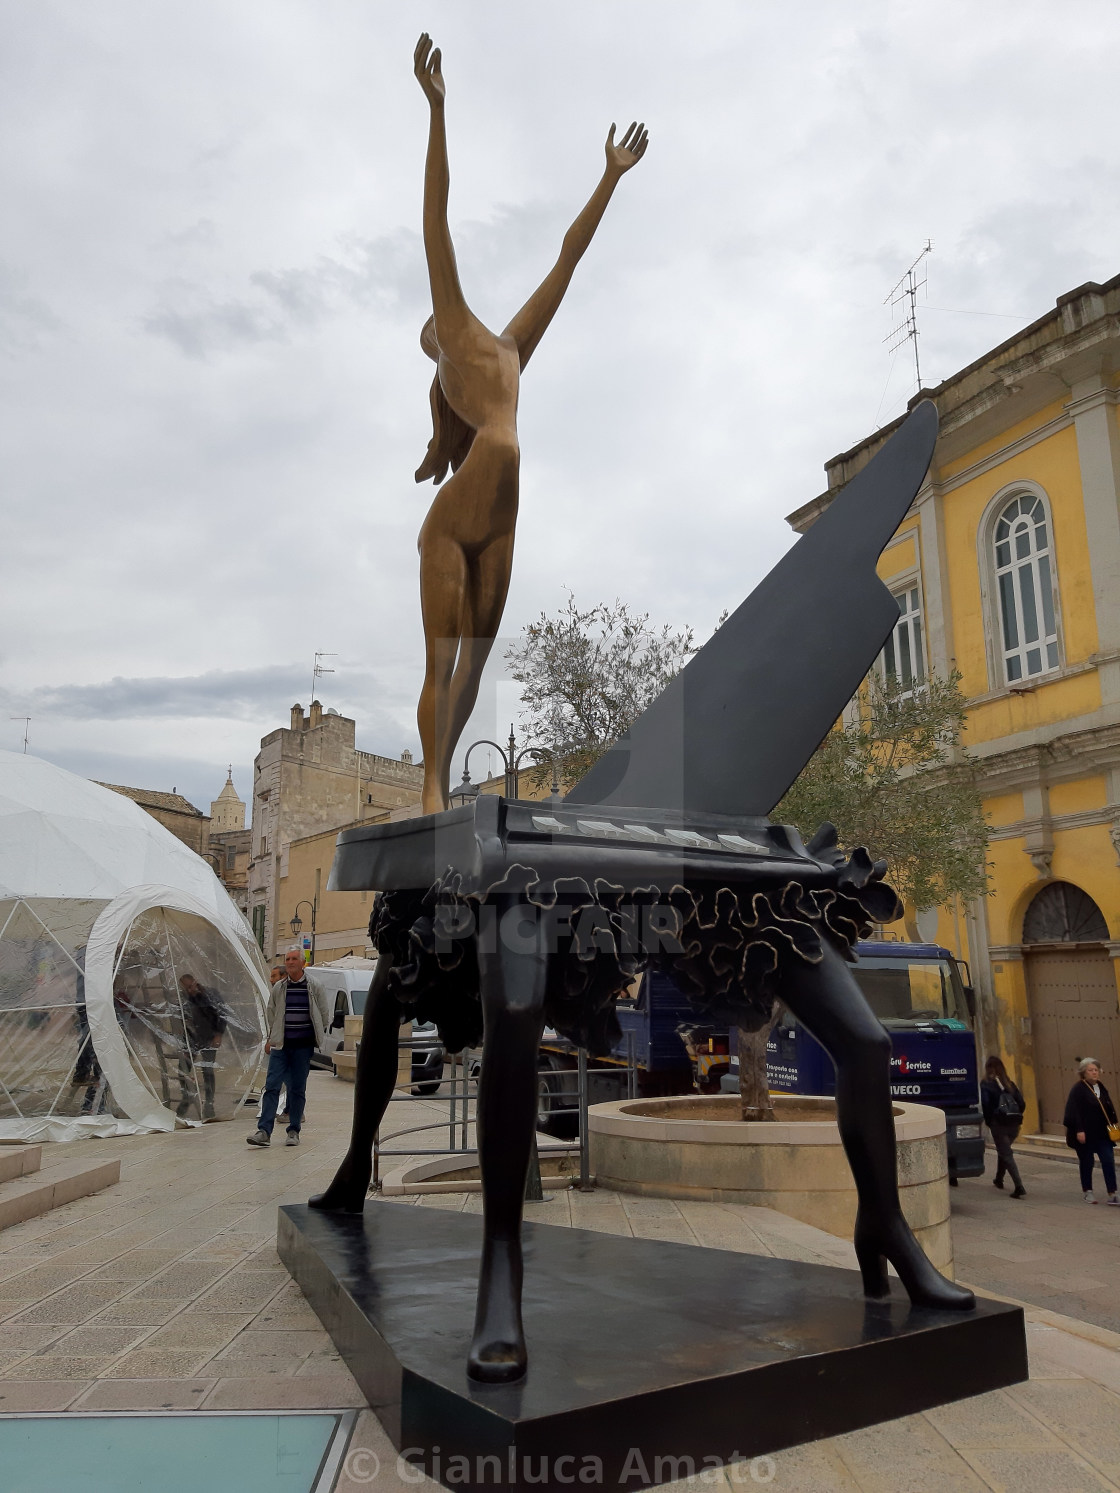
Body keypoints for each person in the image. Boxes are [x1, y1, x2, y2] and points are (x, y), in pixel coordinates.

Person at [410, 33, 648, 812]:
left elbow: (566, 259)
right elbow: (434, 220)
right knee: (442, 660)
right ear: (437, 342)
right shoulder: (455, 336)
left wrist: (608, 178)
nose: (439, 327)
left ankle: (444, 777)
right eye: (432, 334)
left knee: (476, 665)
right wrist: (436, 113)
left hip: (504, 510)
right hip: (454, 520)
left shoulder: (509, 345)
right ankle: (430, 788)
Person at [247, 948, 331, 1148]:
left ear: (302, 963)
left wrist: (315, 1037)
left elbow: (324, 1014)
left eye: (294, 959)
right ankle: (264, 1131)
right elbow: (272, 1013)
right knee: (272, 1086)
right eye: (288, 959)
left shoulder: (314, 986)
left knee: (297, 1089)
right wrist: (272, 1037)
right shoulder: (279, 988)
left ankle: (293, 1130)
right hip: (281, 1047)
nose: (290, 962)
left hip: (302, 1047)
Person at [1063, 1057, 1120, 1205]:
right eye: (1091, 1070)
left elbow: (1109, 1108)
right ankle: (1088, 1191)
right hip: (1085, 1133)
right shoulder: (1078, 1089)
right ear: (1083, 1072)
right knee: (1087, 1162)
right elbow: (1073, 1111)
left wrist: (1114, 1126)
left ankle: (1112, 1193)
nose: (1094, 1073)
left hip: (1102, 1133)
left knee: (1108, 1160)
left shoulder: (1101, 1087)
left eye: (1096, 1070)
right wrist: (1079, 1129)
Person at [177, 974, 228, 1121]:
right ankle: (187, 1097)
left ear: (195, 983)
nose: (189, 990)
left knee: (207, 1070)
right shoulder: (185, 998)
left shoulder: (210, 994)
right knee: (182, 1068)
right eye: (186, 988)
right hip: (192, 1037)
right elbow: (182, 1019)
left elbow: (223, 1014)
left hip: (209, 1035)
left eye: (190, 986)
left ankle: (209, 1103)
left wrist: (218, 1034)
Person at [980, 1054, 1026, 1199]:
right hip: (1014, 1124)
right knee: (1004, 1151)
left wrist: (989, 1121)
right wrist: (1014, 1115)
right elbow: (1022, 1103)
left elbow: (986, 1105)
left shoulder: (986, 1084)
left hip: (998, 1123)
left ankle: (1019, 1186)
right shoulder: (1010, 1084)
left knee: (1006, 1153)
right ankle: (999, 1178)